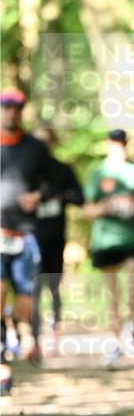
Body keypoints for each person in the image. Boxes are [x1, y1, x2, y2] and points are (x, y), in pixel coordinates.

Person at [83, 129, 134, 365]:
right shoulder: (98, 172)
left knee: (132, 285)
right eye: (113, 143)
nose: (117, 147)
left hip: (131, 238)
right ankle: (114, 339)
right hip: (104, 240)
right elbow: (87, 210)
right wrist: (106, 207)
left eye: (121, 143)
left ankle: (131, 331)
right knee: (112, 292)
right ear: (107, 145)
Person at [0, 89, 50, 392]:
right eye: (6, 107)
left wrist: (39, 195)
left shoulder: (35, 147)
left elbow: (54, 180)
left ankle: (28, 341)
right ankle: (2, 364)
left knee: (24, 303)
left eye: (17, 107)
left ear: (22, 111)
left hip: (26, 235)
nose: (11, 112)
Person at [31, 126, 84, 355]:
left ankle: (54, 335)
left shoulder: (62, 169)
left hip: (54, 236)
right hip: (30, 238)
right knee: (31, 287)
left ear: (52, 143)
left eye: (46, 142)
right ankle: (33, 339)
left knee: (53, 285)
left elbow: (79, 198)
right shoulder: (25, 170)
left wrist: (60, 196)